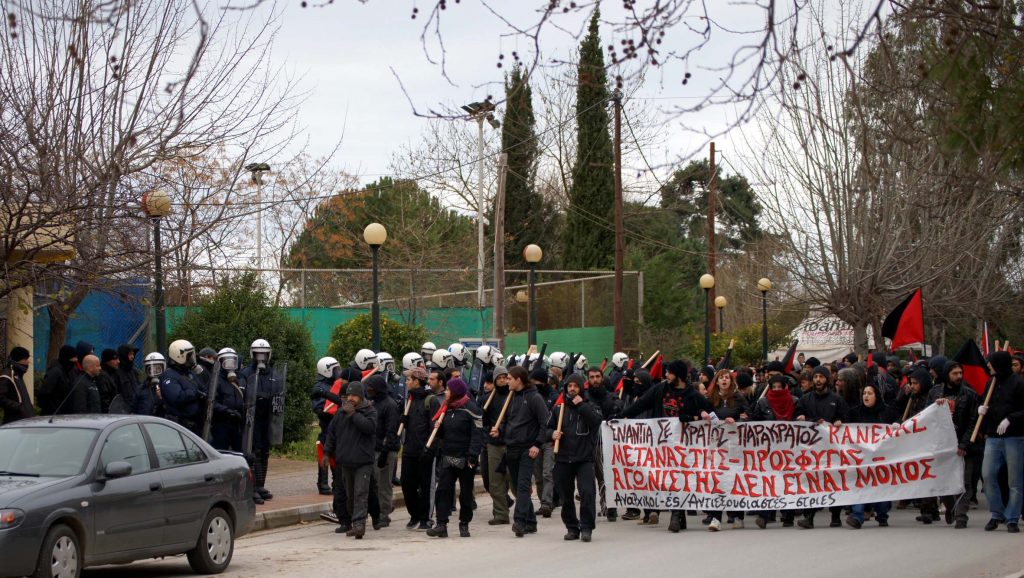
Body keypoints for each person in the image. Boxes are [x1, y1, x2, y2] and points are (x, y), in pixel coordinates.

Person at [623, 359, 713, 533]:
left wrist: (694, 417)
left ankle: (675, 516)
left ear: (678, 375)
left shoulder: (692, 395)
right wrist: (621, 416)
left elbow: (708, 412)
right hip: (663, 445)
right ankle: (680, 516)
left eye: (669, 372)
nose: (666, 375)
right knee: (669, 478)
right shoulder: (660, 389)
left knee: (678, 478)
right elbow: (641, 404)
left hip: (685, 446)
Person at [494, 365, 550, 538]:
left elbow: (545, 422)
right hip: (511, 447)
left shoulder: (534, 398)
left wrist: (537, 444)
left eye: (509, 378)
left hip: (528, 448)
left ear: (518, 380)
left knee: (524, 485)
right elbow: (507, 421)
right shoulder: (510, 397)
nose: (507, 381)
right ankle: (531, 522)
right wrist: (500, 431)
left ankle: (519, 522)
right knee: (519, 488)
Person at [548, 374, 603, 542]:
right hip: (563, 458)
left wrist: (582, 406)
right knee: (565, 495)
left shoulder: (590, 406)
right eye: (569, 386)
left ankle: (587, 527)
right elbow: (546, 428)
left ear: (581, 388)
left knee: (587, 492)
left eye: (575, 386)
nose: (572, 389)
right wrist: (552, 433)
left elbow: (596, 421)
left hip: (584, 458)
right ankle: (572, 527)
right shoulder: (559, 408)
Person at [427, 378, 484, 538]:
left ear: (455, 392)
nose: (445, 392)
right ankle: (441, 524)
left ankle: (464, 523)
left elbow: (477, 435)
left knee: (466, 493)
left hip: (466, 459)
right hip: (447, 456)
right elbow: (443, 434)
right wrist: (437, 429)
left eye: (448, 390)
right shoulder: (446, 409)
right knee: (443, 490)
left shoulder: (472, 410)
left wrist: (473, 455)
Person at [927, 360, 981, 528]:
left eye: (960, 373)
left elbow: (973, 422)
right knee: (943, 482)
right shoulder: (935, 393)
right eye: (954, 373)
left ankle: (961, 516)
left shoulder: (969, 395)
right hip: (942, 446)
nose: (959, 376)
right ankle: (951, 506)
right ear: (946, 375)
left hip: (964, 447)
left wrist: (964, 444)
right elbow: (926, 416)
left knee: (965, 482)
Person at [794, 364, 848, 529]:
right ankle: (809, 517)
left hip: (832, 449)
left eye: (821, 377)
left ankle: (836, 515)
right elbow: (796, 415)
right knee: (812, 481)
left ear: (827, 380)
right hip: (811, 450)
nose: (818, 380)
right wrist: (800, 417)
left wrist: (840, 422)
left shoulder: (836, 400)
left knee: (834, 480)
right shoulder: (805, 399)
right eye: (816, 377)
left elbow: (846, 419)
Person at [322, 381, 378, 538]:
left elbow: (370, 428)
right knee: (350, 494)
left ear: (360, 396)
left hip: (363, 462)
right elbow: (331, 434)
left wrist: (353, 415)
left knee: (361, 493)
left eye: (354, 395)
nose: (350, 398)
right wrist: (327, 453)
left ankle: (360, 524)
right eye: (348, 396)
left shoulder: (370, 411)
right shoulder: (341, 413)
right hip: (345, 461)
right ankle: (354, 522)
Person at [979, 351, 1024, 533]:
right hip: (993, 437)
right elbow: (987, 404)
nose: (988, 366)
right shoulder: (991, 383)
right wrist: (982, 410)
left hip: (1014, 437)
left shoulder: (1019, 383)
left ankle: (1012, 517)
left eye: (991, 363)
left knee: (1015, 481)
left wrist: (1010, 419)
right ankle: (997, 513)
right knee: (988, 476)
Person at [845, 382, 898, 529]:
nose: (866, 396)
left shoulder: (887, 412)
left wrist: (896, 425)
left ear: (877, 396)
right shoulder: (855, 412)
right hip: (860, 458)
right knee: (860, 485)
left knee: (880, 486)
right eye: (864, 394)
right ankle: (857, 516)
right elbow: (845, 430)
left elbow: (899, 424)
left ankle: (882, 515)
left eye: (870, 393)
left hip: (881, 458)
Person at [239, 339, 286, 503]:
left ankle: (261, 485)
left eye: (264, 354)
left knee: (264, 452)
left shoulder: (274, 375)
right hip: (251, 420)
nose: (261, 358)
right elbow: (244, 393)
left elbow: (279, 393)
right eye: (258, 354)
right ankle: (253, 487)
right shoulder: (246, 373)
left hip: (267, 418)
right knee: (253, 452)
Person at [750, 374, 799, 528]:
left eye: (780, 387)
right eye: (774, 387)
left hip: (790, 449)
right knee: (769, 482)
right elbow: (755, 423)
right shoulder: (763, 402)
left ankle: (788, 515)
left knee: (788, 481)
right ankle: (765, 515)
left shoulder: (795, 402)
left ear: (786, 388)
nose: (777, 390)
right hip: (768, 449)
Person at [705, 369, 748, 530]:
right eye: (721, 378)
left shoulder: (738, 398)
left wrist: (736, 420)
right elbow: (703, 413)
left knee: (734, 480)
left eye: (727, 378)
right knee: (718, 481)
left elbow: (748, 415)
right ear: (716, 381)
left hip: (734, 447)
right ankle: (716, 518)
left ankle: (737, 515)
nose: (724, 381)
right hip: (716, 448)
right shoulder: (710, 399)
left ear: (731, 382)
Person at [400, 366, 437, 530]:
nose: (406, 382)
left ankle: (425, 518)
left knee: (426, 485)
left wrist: (429, 449)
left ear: (417, 381)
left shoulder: (431, 400)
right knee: (407, 483)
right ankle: (414, 514)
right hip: (409, 449)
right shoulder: (409, 399)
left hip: (425, 450)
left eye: (409, 379)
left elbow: (434, 427)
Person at [366, 374, 400, 529]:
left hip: (385, 450)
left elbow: (391, 431)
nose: (369, 390)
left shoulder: (390, 405)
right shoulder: (372, 403)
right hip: (373, 449)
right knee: (373, 484)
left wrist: (385, 451)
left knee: (384, 484)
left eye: (371, 388)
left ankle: (384, 514)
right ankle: (377, 511)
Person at [482, 365, 513, 526]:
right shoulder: (488, 399)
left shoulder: (513, 396)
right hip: (493, 444)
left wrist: (501, 429)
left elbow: (514, 420)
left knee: (513, 480)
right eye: (499, 378)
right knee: (495, 482)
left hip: (510, 443)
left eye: (504, 378)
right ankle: (501, 513)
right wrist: (489, 431)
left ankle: (525, 514)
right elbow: (483, 421)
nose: (502, 381)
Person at [160, 339, 206, 434]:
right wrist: (194, 392)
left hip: (196, 424)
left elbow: (202, 388)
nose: (191, 359)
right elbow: (177, 397)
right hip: (180, 427)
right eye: (189, 356)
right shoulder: (169, 376)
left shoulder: (189, 373)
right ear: (179, 356)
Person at [530, 368, 558, 518]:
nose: (534, 384)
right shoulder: (532, 395)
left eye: (536, 382)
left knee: (548, 472)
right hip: (535, 440)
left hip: (549, 440)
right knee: (538, 475)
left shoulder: (554, 397)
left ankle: (547, 503)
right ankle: (543, 502)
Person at [210, 348, 246, 453]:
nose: (230, 364)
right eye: (226, 361)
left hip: (237, 423)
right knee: (221, 452)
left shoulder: (238, 379)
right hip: (221, 424)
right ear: (219, 362)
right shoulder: (215, 379)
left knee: (239, 453)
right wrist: (226, 411)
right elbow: (211, 402)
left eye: (232, 361)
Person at [38, 345, 78, 415]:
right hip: (53, 415)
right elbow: (43, 392)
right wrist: (52, 409)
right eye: (73, 359)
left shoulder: (70, 371)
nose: (75, 361)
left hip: (64, 414)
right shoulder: (55, 372)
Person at [1, 347, 35, 424]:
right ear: (18, 359)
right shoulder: (7, 375)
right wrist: (19, 407)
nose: (28, 362)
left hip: (24, 421)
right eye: (25, 359)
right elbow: (1, 398)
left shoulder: (18, 374)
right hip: (15, 422)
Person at [116, 344, 141, 411]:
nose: (132, 356)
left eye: (133, 354)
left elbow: (138, 387)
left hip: (136, 407)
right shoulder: (117, 372)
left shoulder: (134, 371)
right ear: (124, 355)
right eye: (130, 354)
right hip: (123, 409)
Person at [97, 349, 121, 413]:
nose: (118, 361)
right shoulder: (102, 376)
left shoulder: (114, 373)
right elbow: (104, 399)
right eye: (115, 359)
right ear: (107, 361)